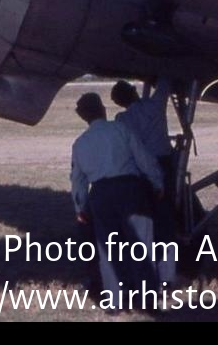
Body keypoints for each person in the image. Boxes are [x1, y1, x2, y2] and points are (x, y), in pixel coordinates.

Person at [70, 92, 163, 312]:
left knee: (108, 250)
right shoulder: (121, 129)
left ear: (83, 117)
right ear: (103, 109)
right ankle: (148, 302)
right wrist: (157, 182)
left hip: (100, 195)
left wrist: (80, 208)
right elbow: (143, 158)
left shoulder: (79, 144)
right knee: (141, 246)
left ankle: (115, 303)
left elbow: (77, 181)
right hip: (131, 190)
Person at [111, 79, 177, 284]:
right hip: (163, 165)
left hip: (139, 171)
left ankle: (145, 273)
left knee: (144, 222)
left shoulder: (121, 119)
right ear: (133, 92)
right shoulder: (153, 105)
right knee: (166, 220)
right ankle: (167, 275)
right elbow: (165, 85)